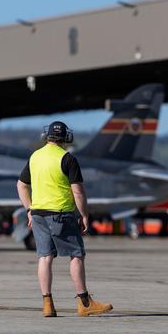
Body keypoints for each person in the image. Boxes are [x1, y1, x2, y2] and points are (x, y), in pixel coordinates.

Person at [16, 121, 112, 317]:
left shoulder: (35, 157)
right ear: (66, 137)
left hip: (38, 214)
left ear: (47, 136)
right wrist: (84, 214)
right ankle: (84, 302)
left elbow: (21, 185)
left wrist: (29, 209)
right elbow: (78, 192)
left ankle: (47, 304)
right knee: (76, 255)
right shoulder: (67, 158)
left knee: (45, 257)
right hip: (61, 214)